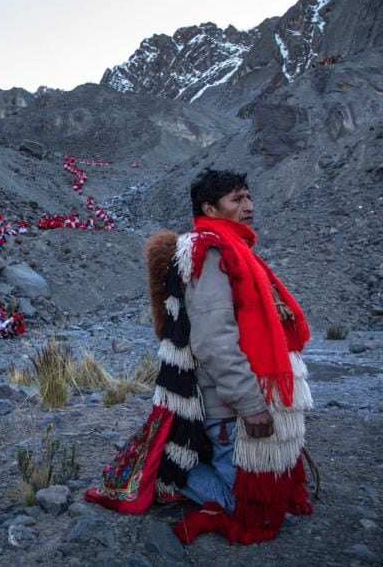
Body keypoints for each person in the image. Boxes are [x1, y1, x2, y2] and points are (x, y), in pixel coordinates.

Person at [85, 169, 312, 545]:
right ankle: (167, 474)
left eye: (249, 197)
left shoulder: (233, 249)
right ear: (209, 207)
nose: (249, 206)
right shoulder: (209, 254)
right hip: (230, 406)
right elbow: (213, 340)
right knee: (244, 506)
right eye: (237, 200)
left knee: (269, 491)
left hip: (238, 396)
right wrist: (251, 403)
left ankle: (183, 466)